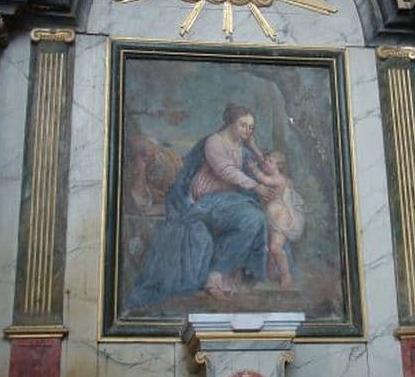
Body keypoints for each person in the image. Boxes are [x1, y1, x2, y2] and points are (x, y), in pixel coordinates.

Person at [124, 104, 275, 310]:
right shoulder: (214, 142)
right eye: (243, 125)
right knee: (253, 218)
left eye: (251, 127)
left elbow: (265, 168)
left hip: (227, 201)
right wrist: (256, 186)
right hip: (205, 201)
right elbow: (226, 171)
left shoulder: (242, 149)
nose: (248, 130)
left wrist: (254, 146)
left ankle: (218, 273)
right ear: (230, 123)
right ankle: (216, 274)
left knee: (256, 219)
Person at [248, 151, 305, 290]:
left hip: (280, 220)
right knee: (269, 247)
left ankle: (286, 275)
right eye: (266, 160)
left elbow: (264, 180)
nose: (266, 162)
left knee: (275, 247)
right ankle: (274, 272)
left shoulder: (279, 179)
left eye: (270, 161)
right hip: (272, 219)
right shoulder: (275, 177)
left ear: (278, 166)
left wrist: (254, 169)